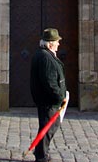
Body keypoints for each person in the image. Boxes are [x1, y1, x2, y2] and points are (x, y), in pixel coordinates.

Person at [30, 28, 67, 162]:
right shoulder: (46, 57)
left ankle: (40, 152)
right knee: (48, 127)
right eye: (57, 42)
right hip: (48, 100)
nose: (59, 44)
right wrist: (59, 96)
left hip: (46, 99)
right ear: (50, 44)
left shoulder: (44, 55)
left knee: (47, 126)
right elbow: (49, 82)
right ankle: (41, 156)